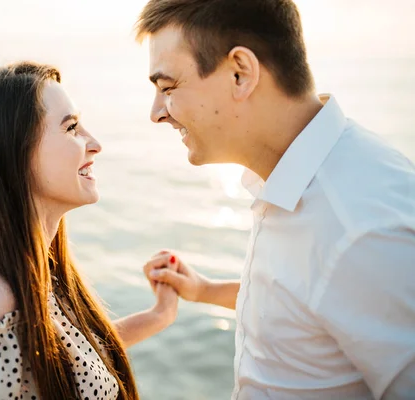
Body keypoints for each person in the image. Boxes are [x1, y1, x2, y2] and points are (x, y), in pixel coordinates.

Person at [135, 0, 415, 399]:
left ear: (240, 73)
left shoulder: (363, 227)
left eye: (167, 88)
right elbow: (311, 296)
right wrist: (205, 290)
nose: (157, 113)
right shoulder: (294, 176)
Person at [0, 62, 178, 400]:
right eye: (71, 128)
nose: (95, 143)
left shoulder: (30, 261)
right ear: (14, 150)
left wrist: (161, 314)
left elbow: (64, 363)